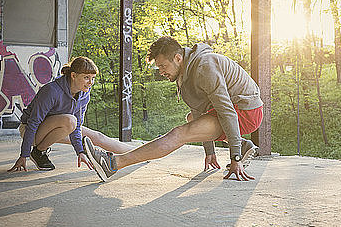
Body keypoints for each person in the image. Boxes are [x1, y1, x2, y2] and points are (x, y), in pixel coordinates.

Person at [83, 36, 263, 182]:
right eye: (158, 67)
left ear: (178, 58)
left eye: (163, 66)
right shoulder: (186, 71)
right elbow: (199, 112)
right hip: (232, 110)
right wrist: (210, 152)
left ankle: (113, 163)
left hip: (246, 112)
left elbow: (227, 111)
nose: (160, 71)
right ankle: (242, 143)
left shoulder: (204, 67)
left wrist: (235, 158)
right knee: (191, 118)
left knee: (180, 133)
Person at [8, 56, 134, 178]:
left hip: (61, 126)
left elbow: (77, 126)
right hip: (31, 130)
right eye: (86, 77)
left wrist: (80, 152)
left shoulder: (84, 94)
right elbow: (33, 122)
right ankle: (39, 151)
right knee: (70, 120)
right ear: (73, 76)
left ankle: (138, 152)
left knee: (96, 137)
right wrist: (24, 155)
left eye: (93, 78)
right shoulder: (52, 91)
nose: (90, 82)